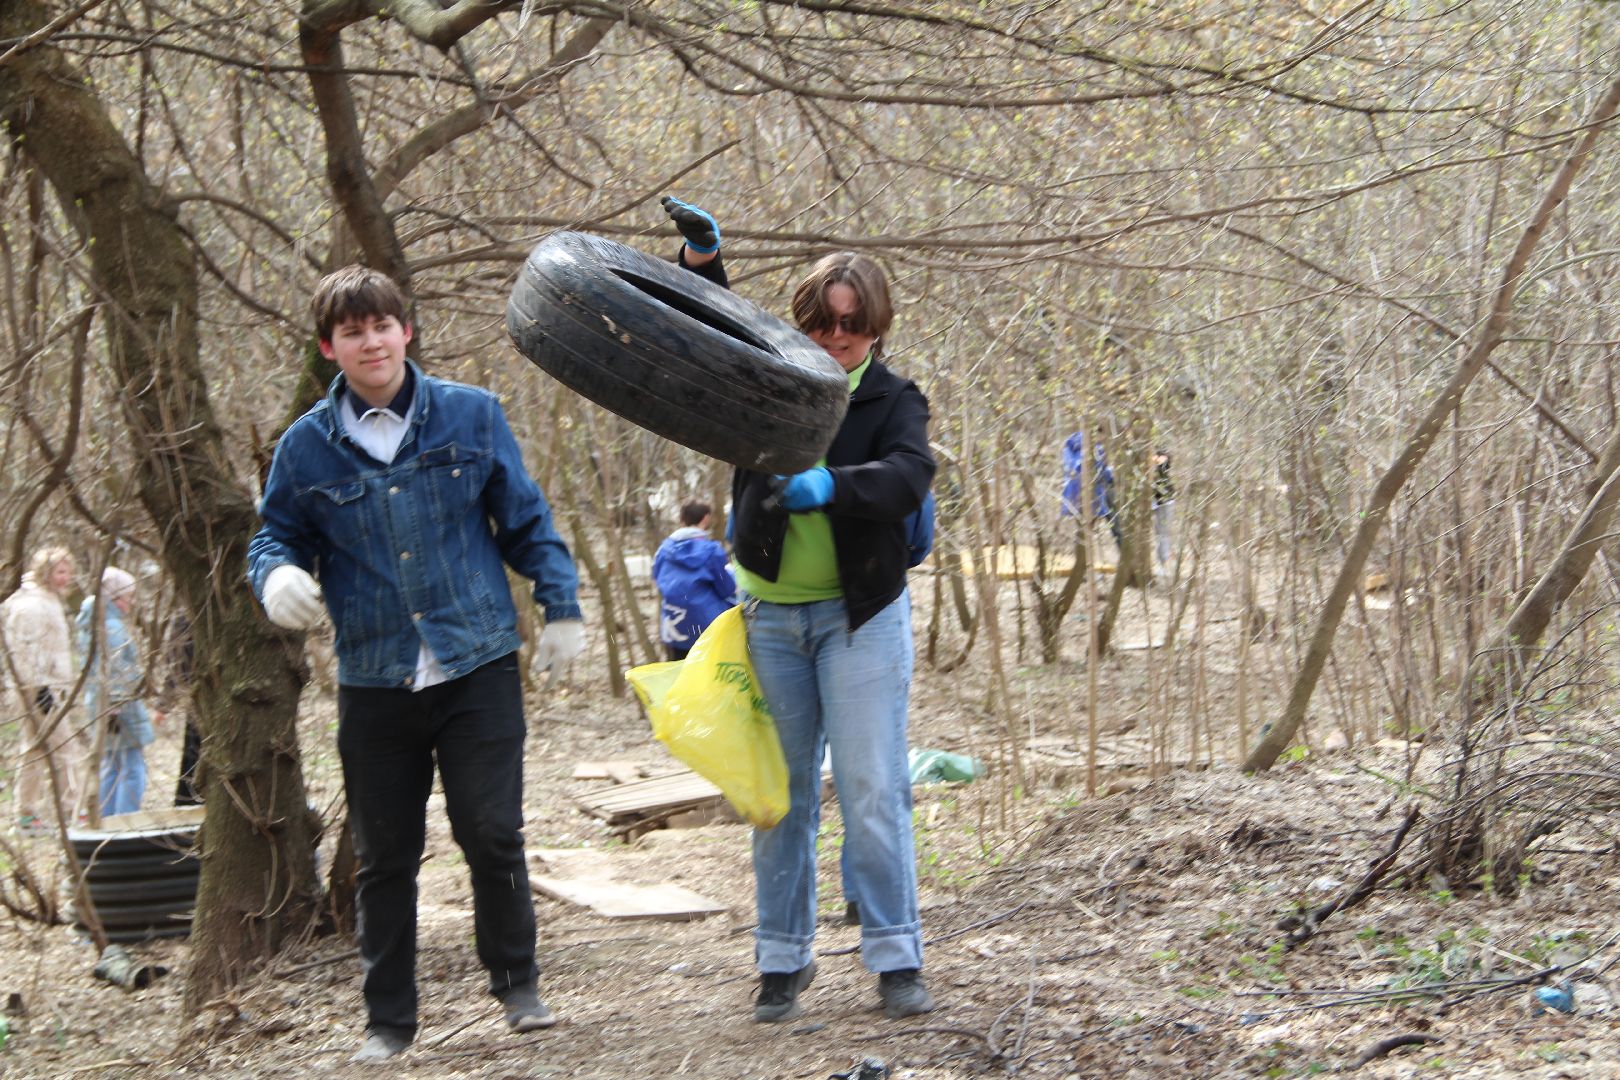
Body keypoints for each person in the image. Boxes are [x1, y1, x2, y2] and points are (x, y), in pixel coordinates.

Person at [246, 265, 586, 1063]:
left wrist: (562, 604)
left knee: (492, 831)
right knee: (385, 854)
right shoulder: (305, 448)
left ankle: (518, 983)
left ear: (405, 331)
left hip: (478, 663)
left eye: (382, 326)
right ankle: (389, 1021)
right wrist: (275, 574)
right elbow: (274, 536)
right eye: (352, 332)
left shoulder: (472, 414)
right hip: (375, 678)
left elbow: (525, 518)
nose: (371, 342)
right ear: (330, 348)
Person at [664, 195, 938, 1023]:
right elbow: (713, 334)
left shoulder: (894, 399)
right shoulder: (770, 377)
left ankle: (895, 956)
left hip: (861, 620)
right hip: (772, 621)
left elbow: (909, 476)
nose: (835, 337)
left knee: (871, 789)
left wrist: (835, 487)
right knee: (778, 798)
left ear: (876, 327)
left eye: (852, 324)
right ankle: (782, 959)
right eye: (822, 321)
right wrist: (703, 264)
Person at [2, 546, 89, 832]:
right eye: (60, 572)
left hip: (47, 686)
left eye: (68, 571)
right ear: (45, 572)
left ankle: (27, 815)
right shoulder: (31, 605)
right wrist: (41, 691)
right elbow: (24, 653)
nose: (66, 578)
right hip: (37, 689)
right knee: (64, 748)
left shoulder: (48, 599)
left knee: (34, 750)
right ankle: (72, 812)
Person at [77, 566, 161, 818]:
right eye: (128, 596)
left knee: (112, 765)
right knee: (132, 768)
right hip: (119, 707)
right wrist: (116, 705)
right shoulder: (111, 627)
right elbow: (116, 671)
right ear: (115, 598)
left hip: (100, 704)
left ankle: (107, 818)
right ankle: (126, 820)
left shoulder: (92, 624)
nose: (131, 603)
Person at [652, 500, 736, 661]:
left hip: (673, 630)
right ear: (705, 519)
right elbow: (727, 589)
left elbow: (657, 579)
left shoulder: (663, 551)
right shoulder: (712, 551)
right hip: (707, 630)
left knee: (678, 672)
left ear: (682, 520)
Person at [1152, 449, 1175, 569]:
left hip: (1166, 503)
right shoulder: (1153, 469)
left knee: (1163, 533)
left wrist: (1160, 459)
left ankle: (1163, 563)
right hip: (1157, 503)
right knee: (1159, 534)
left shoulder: (1163, 468)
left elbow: (1164, 465)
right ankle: (1161, 562)